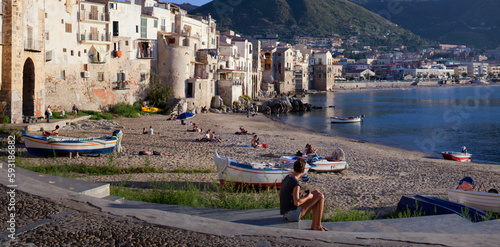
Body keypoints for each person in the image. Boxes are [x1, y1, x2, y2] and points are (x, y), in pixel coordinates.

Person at [280, 160, 328, 231]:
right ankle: (317, 226)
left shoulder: (287, 177)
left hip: (285, 213)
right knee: (320, 196)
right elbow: (297, 202)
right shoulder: (296, 183)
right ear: (303, 171)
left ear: (294, 168)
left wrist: (296, 195)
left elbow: (281, 193)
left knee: (316, 193)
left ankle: (316, 225)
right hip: (291, 215)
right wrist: (308, 197)